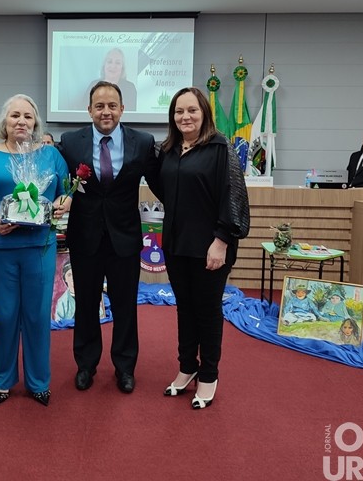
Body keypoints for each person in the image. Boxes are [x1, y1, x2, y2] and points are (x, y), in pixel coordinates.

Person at [59, 81, 159, 394]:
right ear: (89, 110)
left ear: (122, 109)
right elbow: (60, 184)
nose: (106, 111)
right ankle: (86, 365)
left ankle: (125, 368)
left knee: (125, 305)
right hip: (85, 236)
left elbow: (161, 182)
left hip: (125, 239)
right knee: (86, 304)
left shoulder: (142, 142)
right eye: (99, 106)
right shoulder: (70, 142)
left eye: (112, 105)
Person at [0, 94, 69, 407]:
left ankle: (39, 382)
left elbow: (67, 193)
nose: (21, 121)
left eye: (27, 116)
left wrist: (60, 206)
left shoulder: (51, 156)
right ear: (5, 122)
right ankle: (3, 379)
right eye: (15, 116)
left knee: (38, 315)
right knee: (5, 314)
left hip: (39, 247)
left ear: (36, 123)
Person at [157, 87, 250, 410]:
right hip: (176, 244)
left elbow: (234, 197)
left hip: (211, 245)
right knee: (185, 308)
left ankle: (208, 374)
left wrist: (221, 241)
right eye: (179, 111)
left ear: (204, 113)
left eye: (192, 110)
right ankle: (187, 367)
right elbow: (164, 189)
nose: (185, 117)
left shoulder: (221, 147)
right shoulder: (168, 150)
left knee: (208, 311)